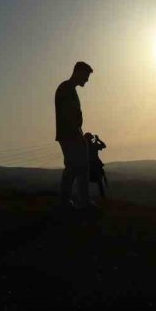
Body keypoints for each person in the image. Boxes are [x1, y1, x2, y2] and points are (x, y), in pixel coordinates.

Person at [55, 61, 94, 209]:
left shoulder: (68, 88)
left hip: (71, 134)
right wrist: (78, 135)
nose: (87, 79)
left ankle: (70, 201)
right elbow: (69, 115)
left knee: (74, 168)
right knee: (78, 167)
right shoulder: (66, 88)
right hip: (70, 135)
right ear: (78, 72)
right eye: (86, 75)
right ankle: (80, 202)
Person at [85, 133, 108, 199]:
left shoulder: (85, 146)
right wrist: (98, 140)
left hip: (89, 165)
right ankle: (102, 197)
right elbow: (103, 145)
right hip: (95, 165)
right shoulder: (93, 145)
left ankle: (86, 196)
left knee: (86, 181)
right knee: (99, 181)